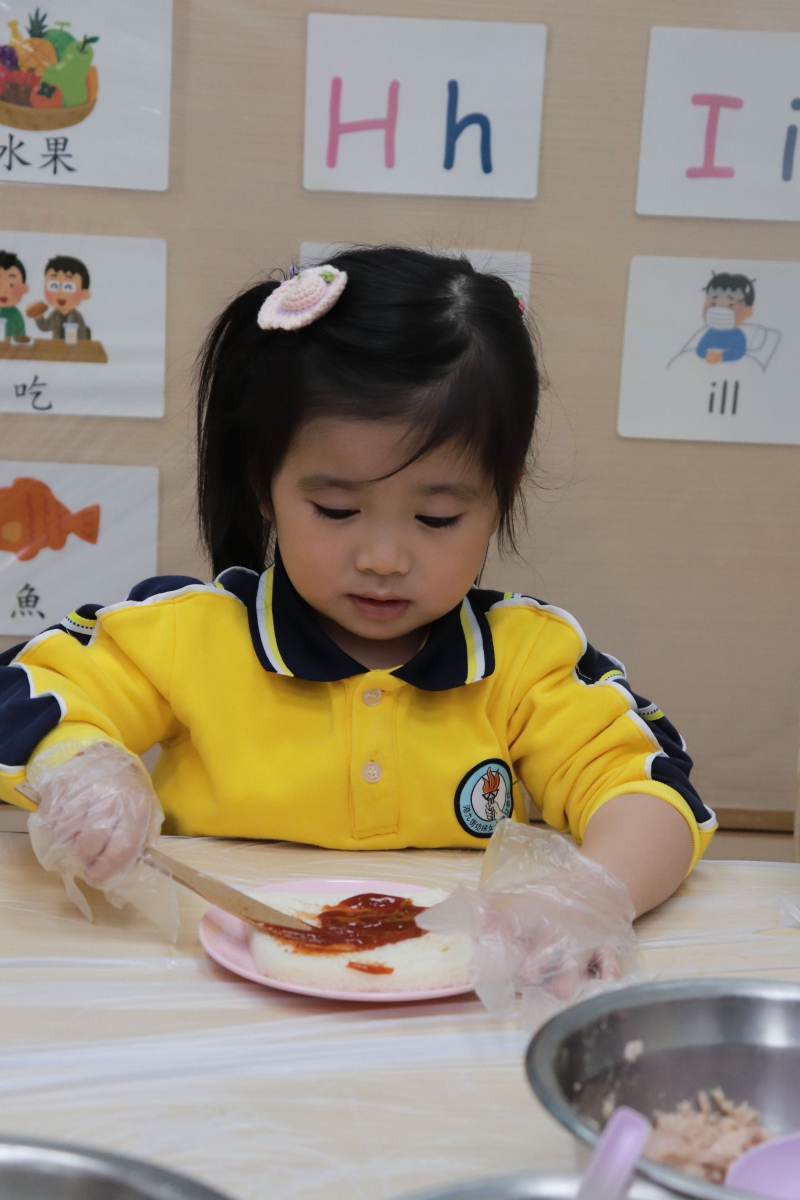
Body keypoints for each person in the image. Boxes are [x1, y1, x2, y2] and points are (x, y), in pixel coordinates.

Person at [0, 247, 715, 946]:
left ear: (503, 493)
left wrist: (588, 896)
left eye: (437, 518)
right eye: (337, 511)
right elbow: (25, 692)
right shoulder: (190, 635)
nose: (382, 560)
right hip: (209, 983)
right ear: (263, 484)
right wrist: (78, 770)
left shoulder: (529, 662)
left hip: (447, 991)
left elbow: (651, 792)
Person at [26, 255, 92, 340]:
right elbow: (46, 327)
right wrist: (39, 317)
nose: (60, 293)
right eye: (54, 286)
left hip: (74, 346)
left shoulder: (77, 316)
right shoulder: (55, 314)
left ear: (84, 293)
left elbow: (82, 336)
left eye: (68, 287)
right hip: (57, 346)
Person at [696, 272, 754, 364]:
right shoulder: (711, 333)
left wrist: (721, 357)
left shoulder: (738, 336)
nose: (720, 311)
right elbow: (700, 350)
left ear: (748, 311)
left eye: (731, 305)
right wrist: (708, 355)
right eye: (713, 304)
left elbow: (738, 352)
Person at [0, 250, 29, 338]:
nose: (4, 291)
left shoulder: (16, 315)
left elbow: (21, 338)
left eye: (11, 285)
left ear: (24, 288)